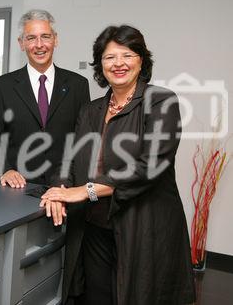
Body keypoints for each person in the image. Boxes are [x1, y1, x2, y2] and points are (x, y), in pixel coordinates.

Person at [40, 25, 196, 304]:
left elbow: (150, 165)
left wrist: (84, 191)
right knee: (97, 296)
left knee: (137, 295)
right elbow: (70, 158)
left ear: (141, 60)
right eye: (110, 57)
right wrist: (58, 189)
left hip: (143, 226)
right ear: (101, 65)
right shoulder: (90, 110)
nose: (119, 63)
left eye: (127, 55)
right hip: (95, 225)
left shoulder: (161, 101)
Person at [0, 9, 90, 188]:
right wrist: (5, 170)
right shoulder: (2, 86)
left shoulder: (78, 85)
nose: (39, 45)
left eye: (45, 36)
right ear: (21, 43)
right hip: (18, 191)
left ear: (56, 40)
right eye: (31, 38)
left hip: (66, 189)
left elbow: (84, 140)